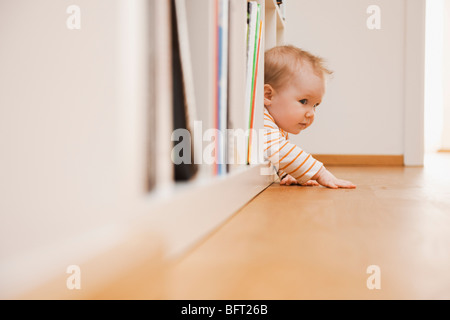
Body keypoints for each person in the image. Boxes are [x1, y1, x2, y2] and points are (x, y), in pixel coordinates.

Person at [264, 45, 356, 189]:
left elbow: (275, 155)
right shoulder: (260, 121)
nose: (311, 113)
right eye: (303, 101)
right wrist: (319, 173)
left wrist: (287, 173)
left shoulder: (275, 125)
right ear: (268, 95)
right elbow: (277, 148)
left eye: (315, 105)